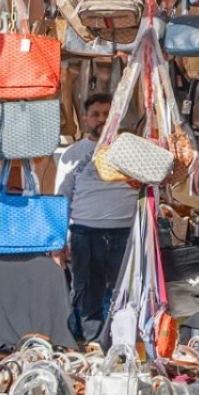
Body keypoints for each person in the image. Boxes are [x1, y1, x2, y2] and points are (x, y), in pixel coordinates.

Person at [54, 92, 140, 345]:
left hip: (125, 232)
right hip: (85, 233)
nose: (102, 119)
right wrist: (59, 241)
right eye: (96, 115)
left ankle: (122, 344)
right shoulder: (73, 153)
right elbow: (62, 197)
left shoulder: (130, 149)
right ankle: (92, 344)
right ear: (85, 119)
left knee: (126, 295)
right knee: (87, 294)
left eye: (107, 114)